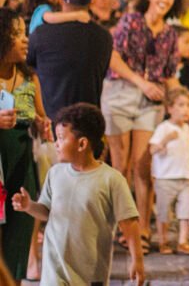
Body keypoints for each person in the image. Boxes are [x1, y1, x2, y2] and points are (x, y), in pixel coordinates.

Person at [11, 103, 144, 285]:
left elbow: (129, 222)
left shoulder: (111, 179)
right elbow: (46, 212)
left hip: (90, 274)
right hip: (54, 271)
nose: (56, 144)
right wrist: (29, 206)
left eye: (61, 138)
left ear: (82, 144)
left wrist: (137, 260)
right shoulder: (55, 173)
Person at [103, 0, 185, 254]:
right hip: (120, 94)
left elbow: (170, 76)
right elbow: (113, 57)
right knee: (120, 165)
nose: (164, 0)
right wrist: (142, 83)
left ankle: (142, 228)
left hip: (150, 102)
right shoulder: (131, 21)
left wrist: (184, 105)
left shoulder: (170, 34)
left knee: (143, 165)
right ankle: (119, 226)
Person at [0, 8, 50, 280]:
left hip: (21, 166)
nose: (25, 39)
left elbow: (41, 116)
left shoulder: (30, 78)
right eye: (17, 33)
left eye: (24, 33)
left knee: (18, 235)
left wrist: (43, 124)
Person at [28, 0, 113, 114]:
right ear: (91, 1)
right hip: (86, 120)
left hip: (50, 121)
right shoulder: (104, 37)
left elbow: (27, 67)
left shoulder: (41, 34)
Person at [150, 88, 189, 255]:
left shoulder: (188, 128)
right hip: (166, 178)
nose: (186, 109)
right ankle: (163, 241)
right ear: (170, 108)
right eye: (181, 105)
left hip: (186, 177)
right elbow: (152, 149)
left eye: (188, 105)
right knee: (164, 212)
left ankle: (183, 241)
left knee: (185, 212)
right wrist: (165, 140)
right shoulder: (164, 128)